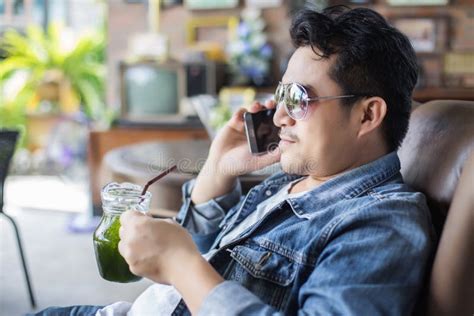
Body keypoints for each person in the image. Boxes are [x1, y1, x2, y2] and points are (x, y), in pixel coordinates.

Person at [32, 5, 434, 316]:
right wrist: (217, 171)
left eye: (298, 99)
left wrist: (178, 263)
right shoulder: (288, 182)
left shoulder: (381, 226)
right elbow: (212, 257)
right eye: (280, 95)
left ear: (367, 115)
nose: (278, 116)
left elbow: (190, 269)